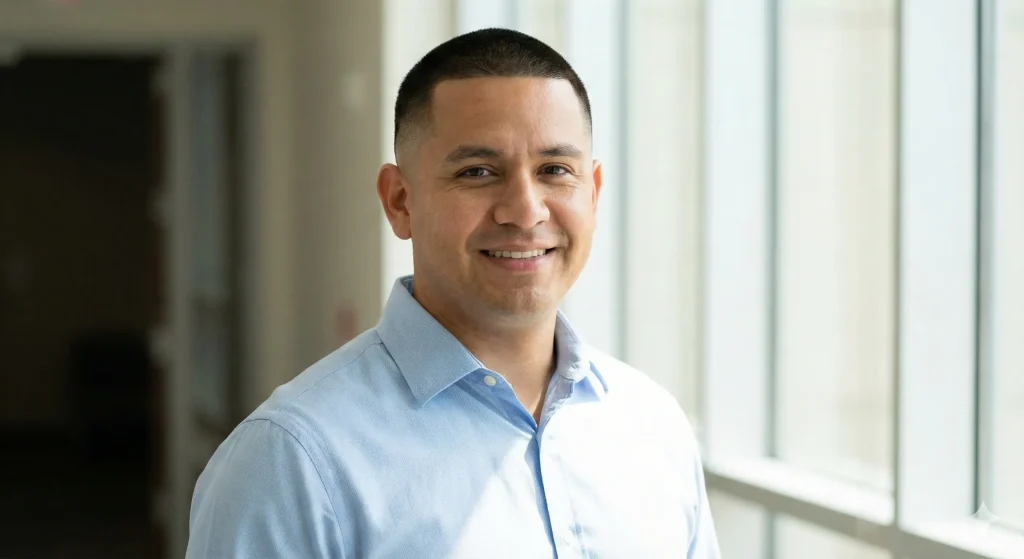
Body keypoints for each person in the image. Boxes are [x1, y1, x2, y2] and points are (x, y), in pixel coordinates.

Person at [186, 28, 719, 558]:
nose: (526, 210)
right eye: (479, 172)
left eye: (555, 170)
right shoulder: (291, 463)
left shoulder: (654, 426)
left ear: (594, 193)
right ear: (399, 201)